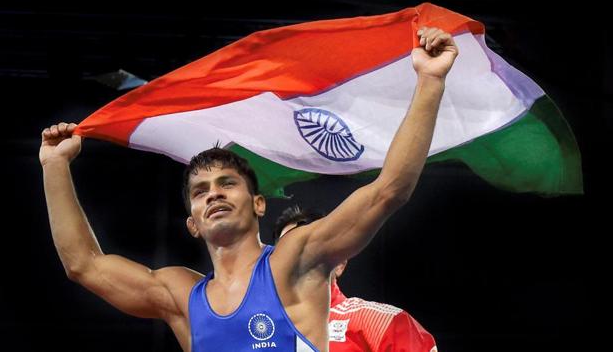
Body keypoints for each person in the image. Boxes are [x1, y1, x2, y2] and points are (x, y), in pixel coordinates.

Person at [39, 27, 458, 352]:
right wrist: (55, 166)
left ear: (258, 204)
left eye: (227, 184)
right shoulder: (180, 296)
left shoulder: (296, 260)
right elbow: (83, 264)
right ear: (192, 224)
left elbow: (388, 191)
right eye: (200, 191)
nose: (214, 194)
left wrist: (430, 82)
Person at [273, 206, 438, 352]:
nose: (294, 258)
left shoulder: (384, 322)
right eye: (286, 250)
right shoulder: (258, 329)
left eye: (307, 249)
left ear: (339, 264)